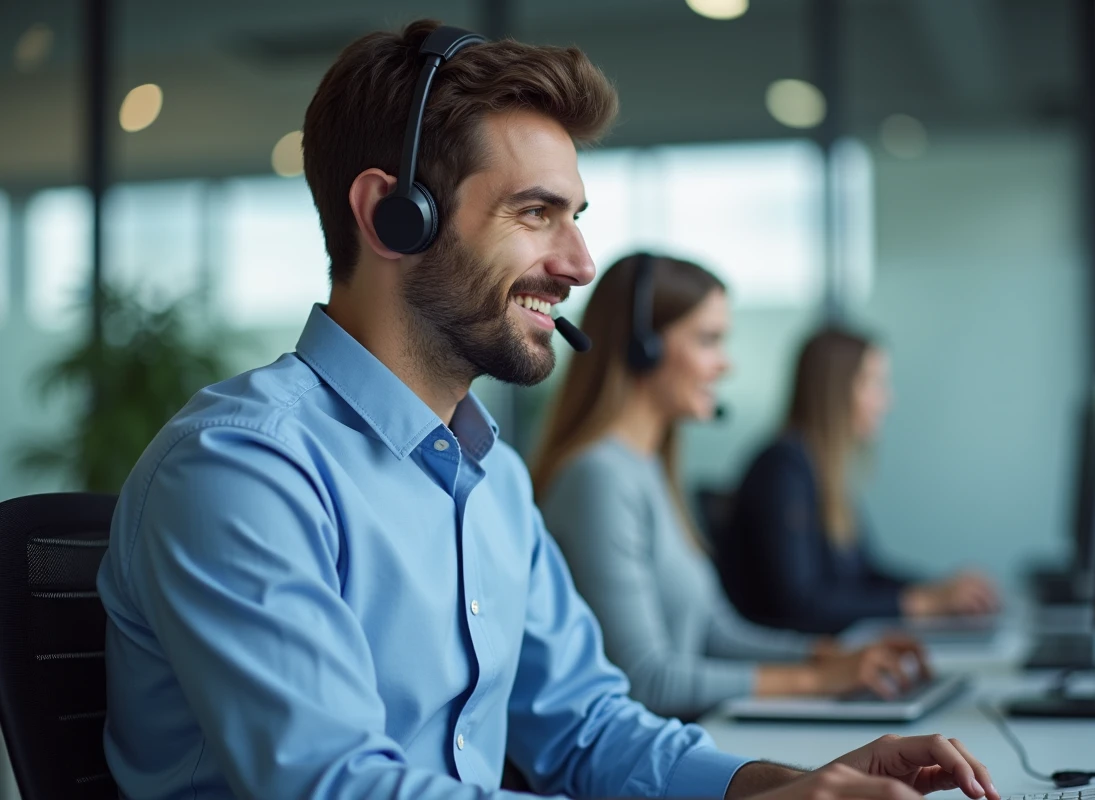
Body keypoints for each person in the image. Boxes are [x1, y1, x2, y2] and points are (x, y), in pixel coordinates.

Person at [96, 20, 1001, 800]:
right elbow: (341, 787)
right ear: (391, 217)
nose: (579, 264)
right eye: (536, 214)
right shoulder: (243, 469)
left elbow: (589, 730)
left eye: (576, 216)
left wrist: (775, 785)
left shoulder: (491, 482)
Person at [530, 254, 935, 722]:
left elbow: (716, 633)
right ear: (643, 348)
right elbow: (645, 681)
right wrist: (816, 682)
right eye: (708, 340)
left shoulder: (648, 471)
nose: (726, 365)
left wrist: (828, 656)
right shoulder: (598, 479)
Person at [717, 327, 1000, 635]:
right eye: (875, 384)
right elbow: (800, 604)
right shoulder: (782, 471)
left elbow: (864, 572)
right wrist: (923, 602)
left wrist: (940, 590)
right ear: (837, 390)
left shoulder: (821, 470)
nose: (887, 401)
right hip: (793, 663)